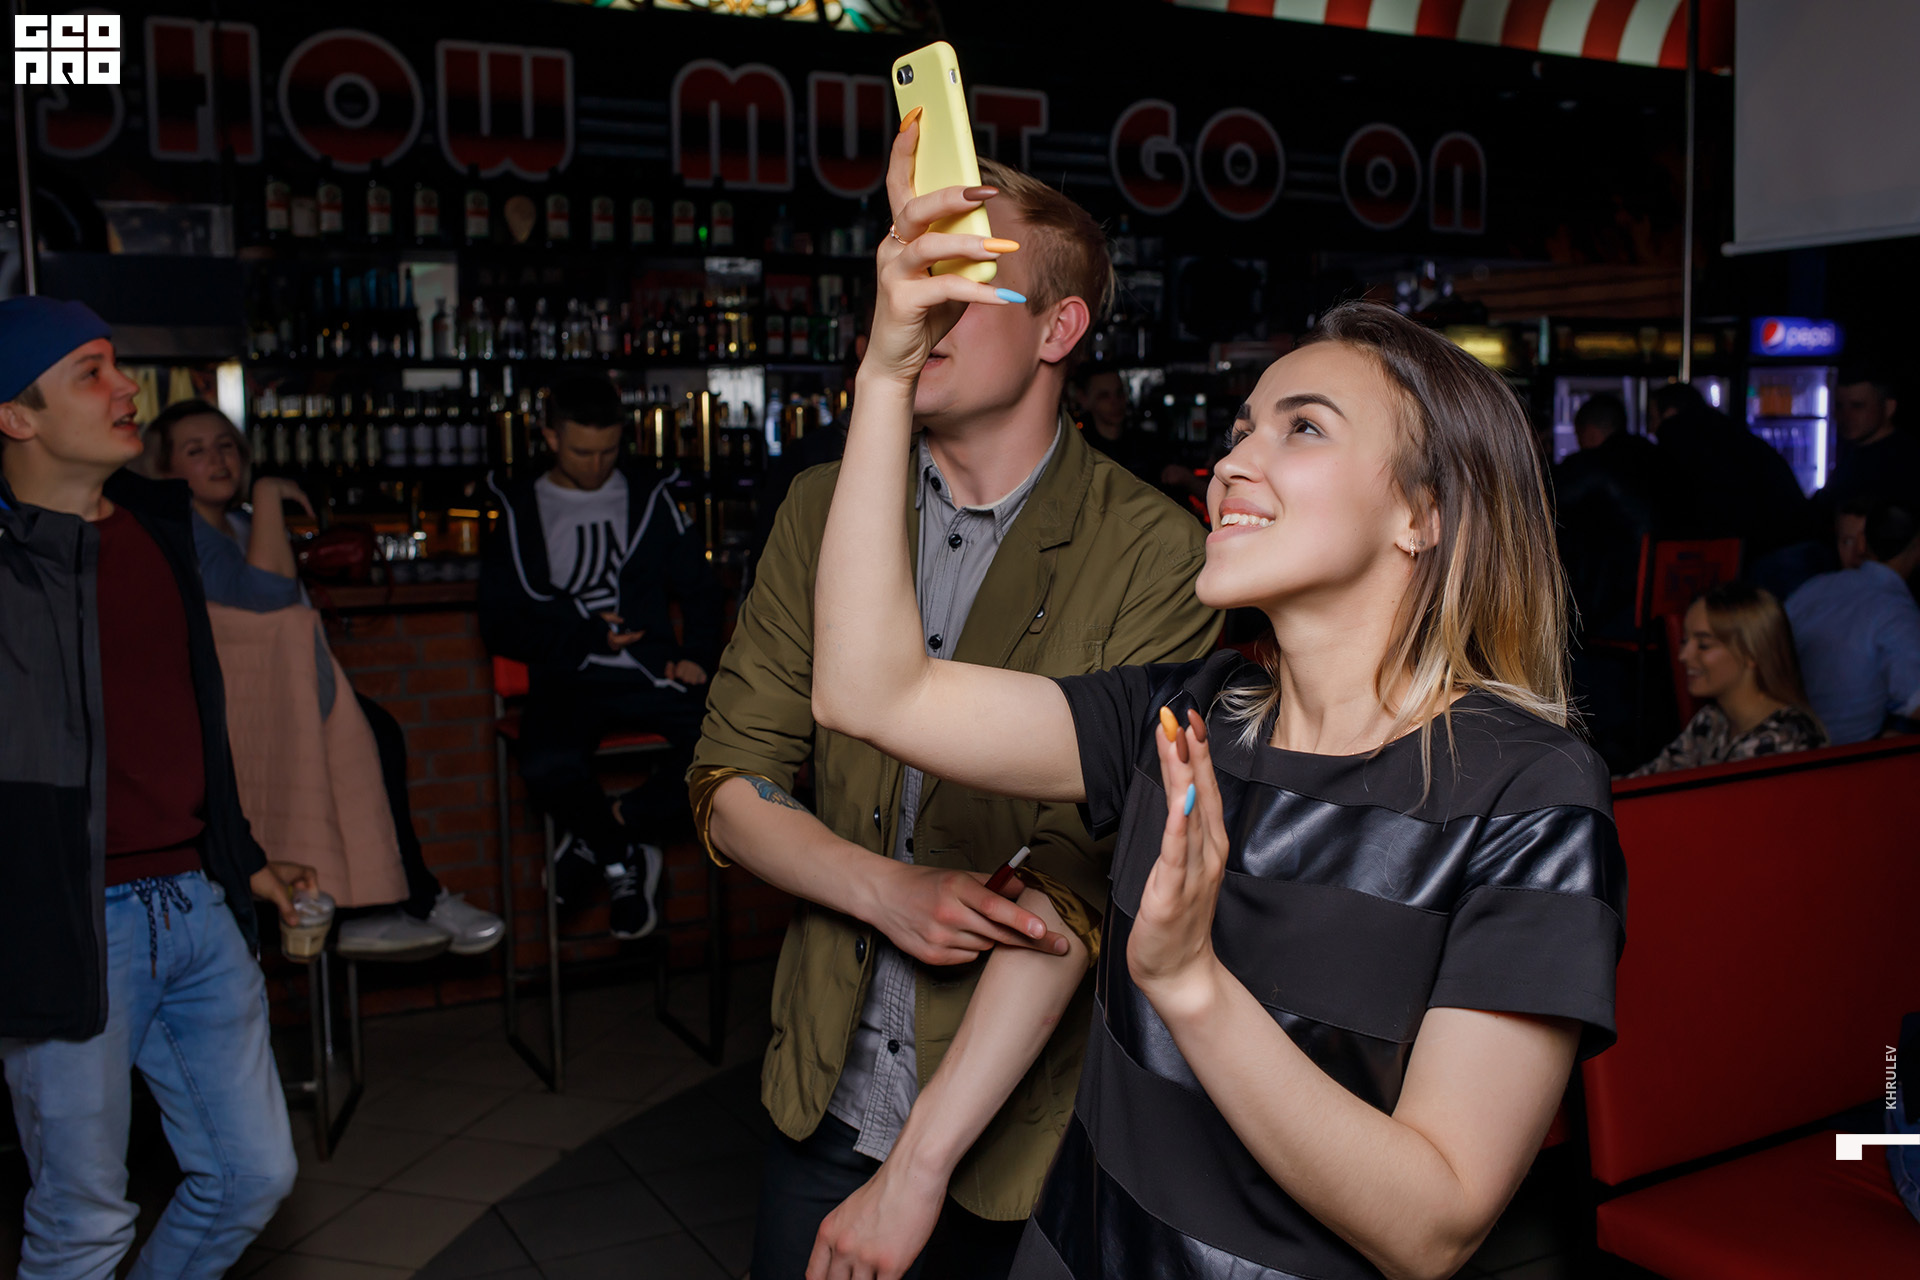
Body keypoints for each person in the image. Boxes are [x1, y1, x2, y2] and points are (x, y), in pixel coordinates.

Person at [812, 158, 1626, 1280]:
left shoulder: (1528, 792)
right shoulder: (1185, 713)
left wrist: (1190, 983)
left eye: (1303, 428)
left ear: (1423, 512)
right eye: (1242, 430)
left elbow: (1433, 1223)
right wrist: (886, 375)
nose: (1233, 462)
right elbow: (870, 692)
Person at [689, 145, 1219, 1280]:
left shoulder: (1157, 552)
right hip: (826, 1092)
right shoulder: (824, 509)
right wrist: (882, 888)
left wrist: (919, 1162)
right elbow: (730, 785)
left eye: (961, 284)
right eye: (909, 274)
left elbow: (1084, 874)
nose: (919, 308)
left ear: (1058, 329)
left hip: (1022, 1137)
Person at [0, 296, 304, 1277]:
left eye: (117, 362)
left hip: (194, 904)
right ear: (16, 415)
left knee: (251, 1173)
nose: (125, 386)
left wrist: (240, 860)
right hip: (65, 922)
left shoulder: (159, 526)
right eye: (89, 371)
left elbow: (190, 719)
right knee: (84, 1222)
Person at [143, 399, 504, 955]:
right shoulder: (183, 534)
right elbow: (270, 597)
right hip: (230, 718)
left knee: (374, 741)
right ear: (164, 469)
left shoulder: (237, 525)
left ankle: (393, 902)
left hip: (283, 700)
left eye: (226, 446)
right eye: (196, 451)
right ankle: (390, 904)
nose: (218, 460)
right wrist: (269, 494)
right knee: (372, 738)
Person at [480, 371, 723, 939]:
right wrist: (586, 638)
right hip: (569, 676)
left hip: (651, 672)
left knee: (726, 750)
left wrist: (696, 653)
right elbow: (499, 627)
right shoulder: (518, 508)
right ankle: (624, 859)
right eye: (582, 453)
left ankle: (607, 833)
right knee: (545, 764)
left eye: (609, 452)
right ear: (551, 438)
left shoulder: (649, 495)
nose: (597, 466)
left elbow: (702, 587)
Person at [1626, 583, 1826, 776]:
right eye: (1685, 641)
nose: (1683, 656)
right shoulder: (1711, 721)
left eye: (1703, 645)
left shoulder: (1784, 738)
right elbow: (1650, 778)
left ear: (1751, 653)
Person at [1649, 380, 1823, 599]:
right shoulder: (1724, 430)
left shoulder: (1679, 437)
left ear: (1670, 412)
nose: (1651, 428)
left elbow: (1685, 505)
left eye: (1652, 418)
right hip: (1794, 540)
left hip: (1762, 551)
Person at [1785, 499, 1920, 743]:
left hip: (1786, 746)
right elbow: (1915, 701)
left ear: (1864, 542)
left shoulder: (1811, 590)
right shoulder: (1896, 611)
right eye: (1844, 541)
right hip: (1843, 755)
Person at [1814, 369, 1920, 526]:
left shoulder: (1906, 461)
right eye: (1839, 406)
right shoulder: (1850, 455)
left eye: (1857, 406)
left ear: (1889, 407)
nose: (1846, 416)